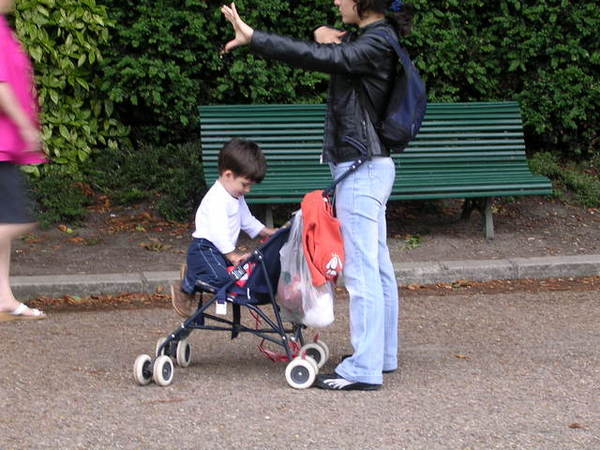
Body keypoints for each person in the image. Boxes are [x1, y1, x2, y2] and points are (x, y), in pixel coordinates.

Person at [221, 0, 414, 390]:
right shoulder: (378, 39)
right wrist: (328, 42)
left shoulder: (373, 44)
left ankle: (365, 369)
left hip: (361, 169)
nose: (337, 2)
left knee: (362, 273)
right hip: (369, 166)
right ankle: (380, 355)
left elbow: (316, 57)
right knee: (377, 269)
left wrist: (255, 38)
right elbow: (336, 57)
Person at [171, 138, 277, 317]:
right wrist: (232, 255)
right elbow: (218, 232)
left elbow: (246, 219)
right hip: (205, 248)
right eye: (245, 184)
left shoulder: (234, 194)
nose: (248, 190)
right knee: (223, 279)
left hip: (219, 251)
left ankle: (197, 272)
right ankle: (187, 284)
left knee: (244, 270)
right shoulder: (217, 199)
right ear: (228, 175)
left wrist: (266, 231)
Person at [0, 0, 47, 321]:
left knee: (6, 221)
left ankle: (3, 297)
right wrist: (24, 124)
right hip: (2, 142)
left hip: (7, 146)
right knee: (16, 221)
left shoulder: (4, 29)